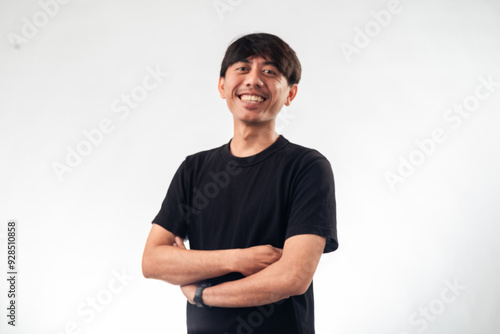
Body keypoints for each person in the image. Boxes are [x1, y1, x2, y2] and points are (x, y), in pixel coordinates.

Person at [142, 32, 338, 334]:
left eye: (270, 72)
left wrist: (202, 294)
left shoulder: (307, 167)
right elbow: (153, 261)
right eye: (242, 68)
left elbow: (293, 277)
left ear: (290, 94)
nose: (253, 80)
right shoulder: (194, 169)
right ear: (222, 86)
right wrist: (240, 259)